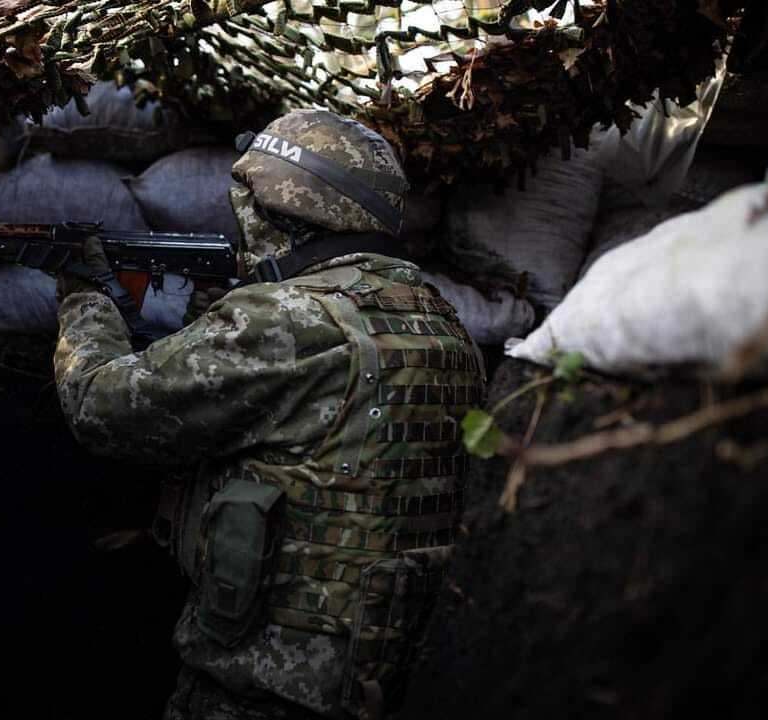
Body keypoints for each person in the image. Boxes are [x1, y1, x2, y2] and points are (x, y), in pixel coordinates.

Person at [53, 109, 485, 720]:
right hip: (386, 675)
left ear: (271, 206)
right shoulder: (439, 322)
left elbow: (101, 407)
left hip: (266, 682)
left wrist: (83, 298)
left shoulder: (285, 318)